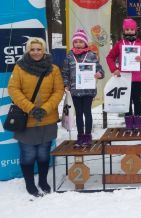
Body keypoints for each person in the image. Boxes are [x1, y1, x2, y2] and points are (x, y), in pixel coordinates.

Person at [8, 37, 64, 197]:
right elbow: (13, 89)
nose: (36, 52)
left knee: (43, 153)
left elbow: (58, 91)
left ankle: (43, 181)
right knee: (28, 154)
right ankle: (30, 184)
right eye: (32, 49)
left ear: (44, 50)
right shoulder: (20, 68)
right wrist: (31, 108)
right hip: (26, 119)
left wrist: (45, 109)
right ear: (28, 50)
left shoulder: (53, 69)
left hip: (48, 119)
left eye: (39, 49)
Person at [62, 29, 104, 148]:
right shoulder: (69, 56)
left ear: (85, 43)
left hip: (88, 91)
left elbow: (100, 70)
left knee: (87, 113)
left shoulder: (91, 55)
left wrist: (99, 74)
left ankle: (88, 136)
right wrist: (66, 84)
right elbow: (65, 73)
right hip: (75, 91)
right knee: (79, 114)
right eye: (76, 42)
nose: (78, 44)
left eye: (81, 41)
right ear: (73, 43)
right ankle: (80, 137)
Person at [106, 18, 141, 130]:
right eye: (127, 29)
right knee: (126, 100)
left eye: (131, 29)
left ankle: (138, 123)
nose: (129, 31)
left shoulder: (140, 43)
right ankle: (129, 122)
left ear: (135, 30)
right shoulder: (119, 44)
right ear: (124, 31)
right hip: (123, 77)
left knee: (137, 100)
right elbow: (110, 57)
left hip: (136, 78)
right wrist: (114, 69)